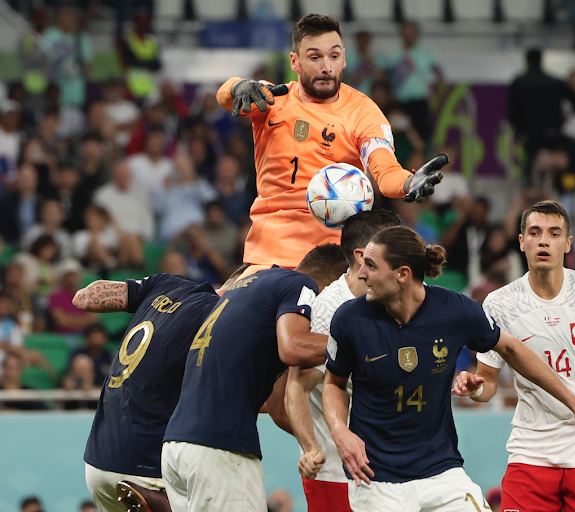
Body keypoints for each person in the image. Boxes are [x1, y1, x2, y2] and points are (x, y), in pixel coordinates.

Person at [322, 226, 575, 512]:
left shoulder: (455, 310)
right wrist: (339, 430)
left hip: (442, 472)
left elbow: (512, 348)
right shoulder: (349, 319)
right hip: (376, 480)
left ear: (402, 274)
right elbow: (333, 384)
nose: (361, 274)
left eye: (371, 266)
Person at [453, 200, 575, 511]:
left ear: (568, 242)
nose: (544, 240)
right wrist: (475, 388)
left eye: (554, 233)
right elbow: (488, 383)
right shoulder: (499, 304)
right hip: (530, 453)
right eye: (534, 232)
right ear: (521, 242)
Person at [215, 14, 446, 272]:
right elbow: (226, 94)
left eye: (334, 56)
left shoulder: (364, 112)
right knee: (221, 310)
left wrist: (406, 182)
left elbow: (385, 168)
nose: (326, 67)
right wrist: (239, 86)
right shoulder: (274, 100)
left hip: (336, 261)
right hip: (269, 257)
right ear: (295, 61)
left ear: (344, 58)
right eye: (315, 57)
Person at [161, 244, 349, 511]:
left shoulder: (249, 284)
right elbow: (294, 346)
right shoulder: (300, 284)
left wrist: (312, 445)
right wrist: (359, 343)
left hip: (176, 445)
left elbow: (276, 402)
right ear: (333, 283)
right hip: (220, 446)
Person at [74, 262, 250, 512]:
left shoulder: (165, 284)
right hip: (148, 472)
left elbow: (83, 298)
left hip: (98, 461)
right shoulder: (225, 318)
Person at [285, 210, 401, 512]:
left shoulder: (398, 298)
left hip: (391, 466)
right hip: (338, 475)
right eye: (394, 245)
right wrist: (311, 449)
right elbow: (296, 387)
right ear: (363, 256)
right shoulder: (328, 310)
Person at [507, 49, 575, 182]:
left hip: (529, 134)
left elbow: (512, 111)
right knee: (556, 165)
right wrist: (568, 115)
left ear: (527, 61)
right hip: (552, 132)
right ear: (541, 61)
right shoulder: (554, 81)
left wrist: (518, 130)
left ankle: (530, 191)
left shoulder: (519, 82)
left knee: (530, 166)